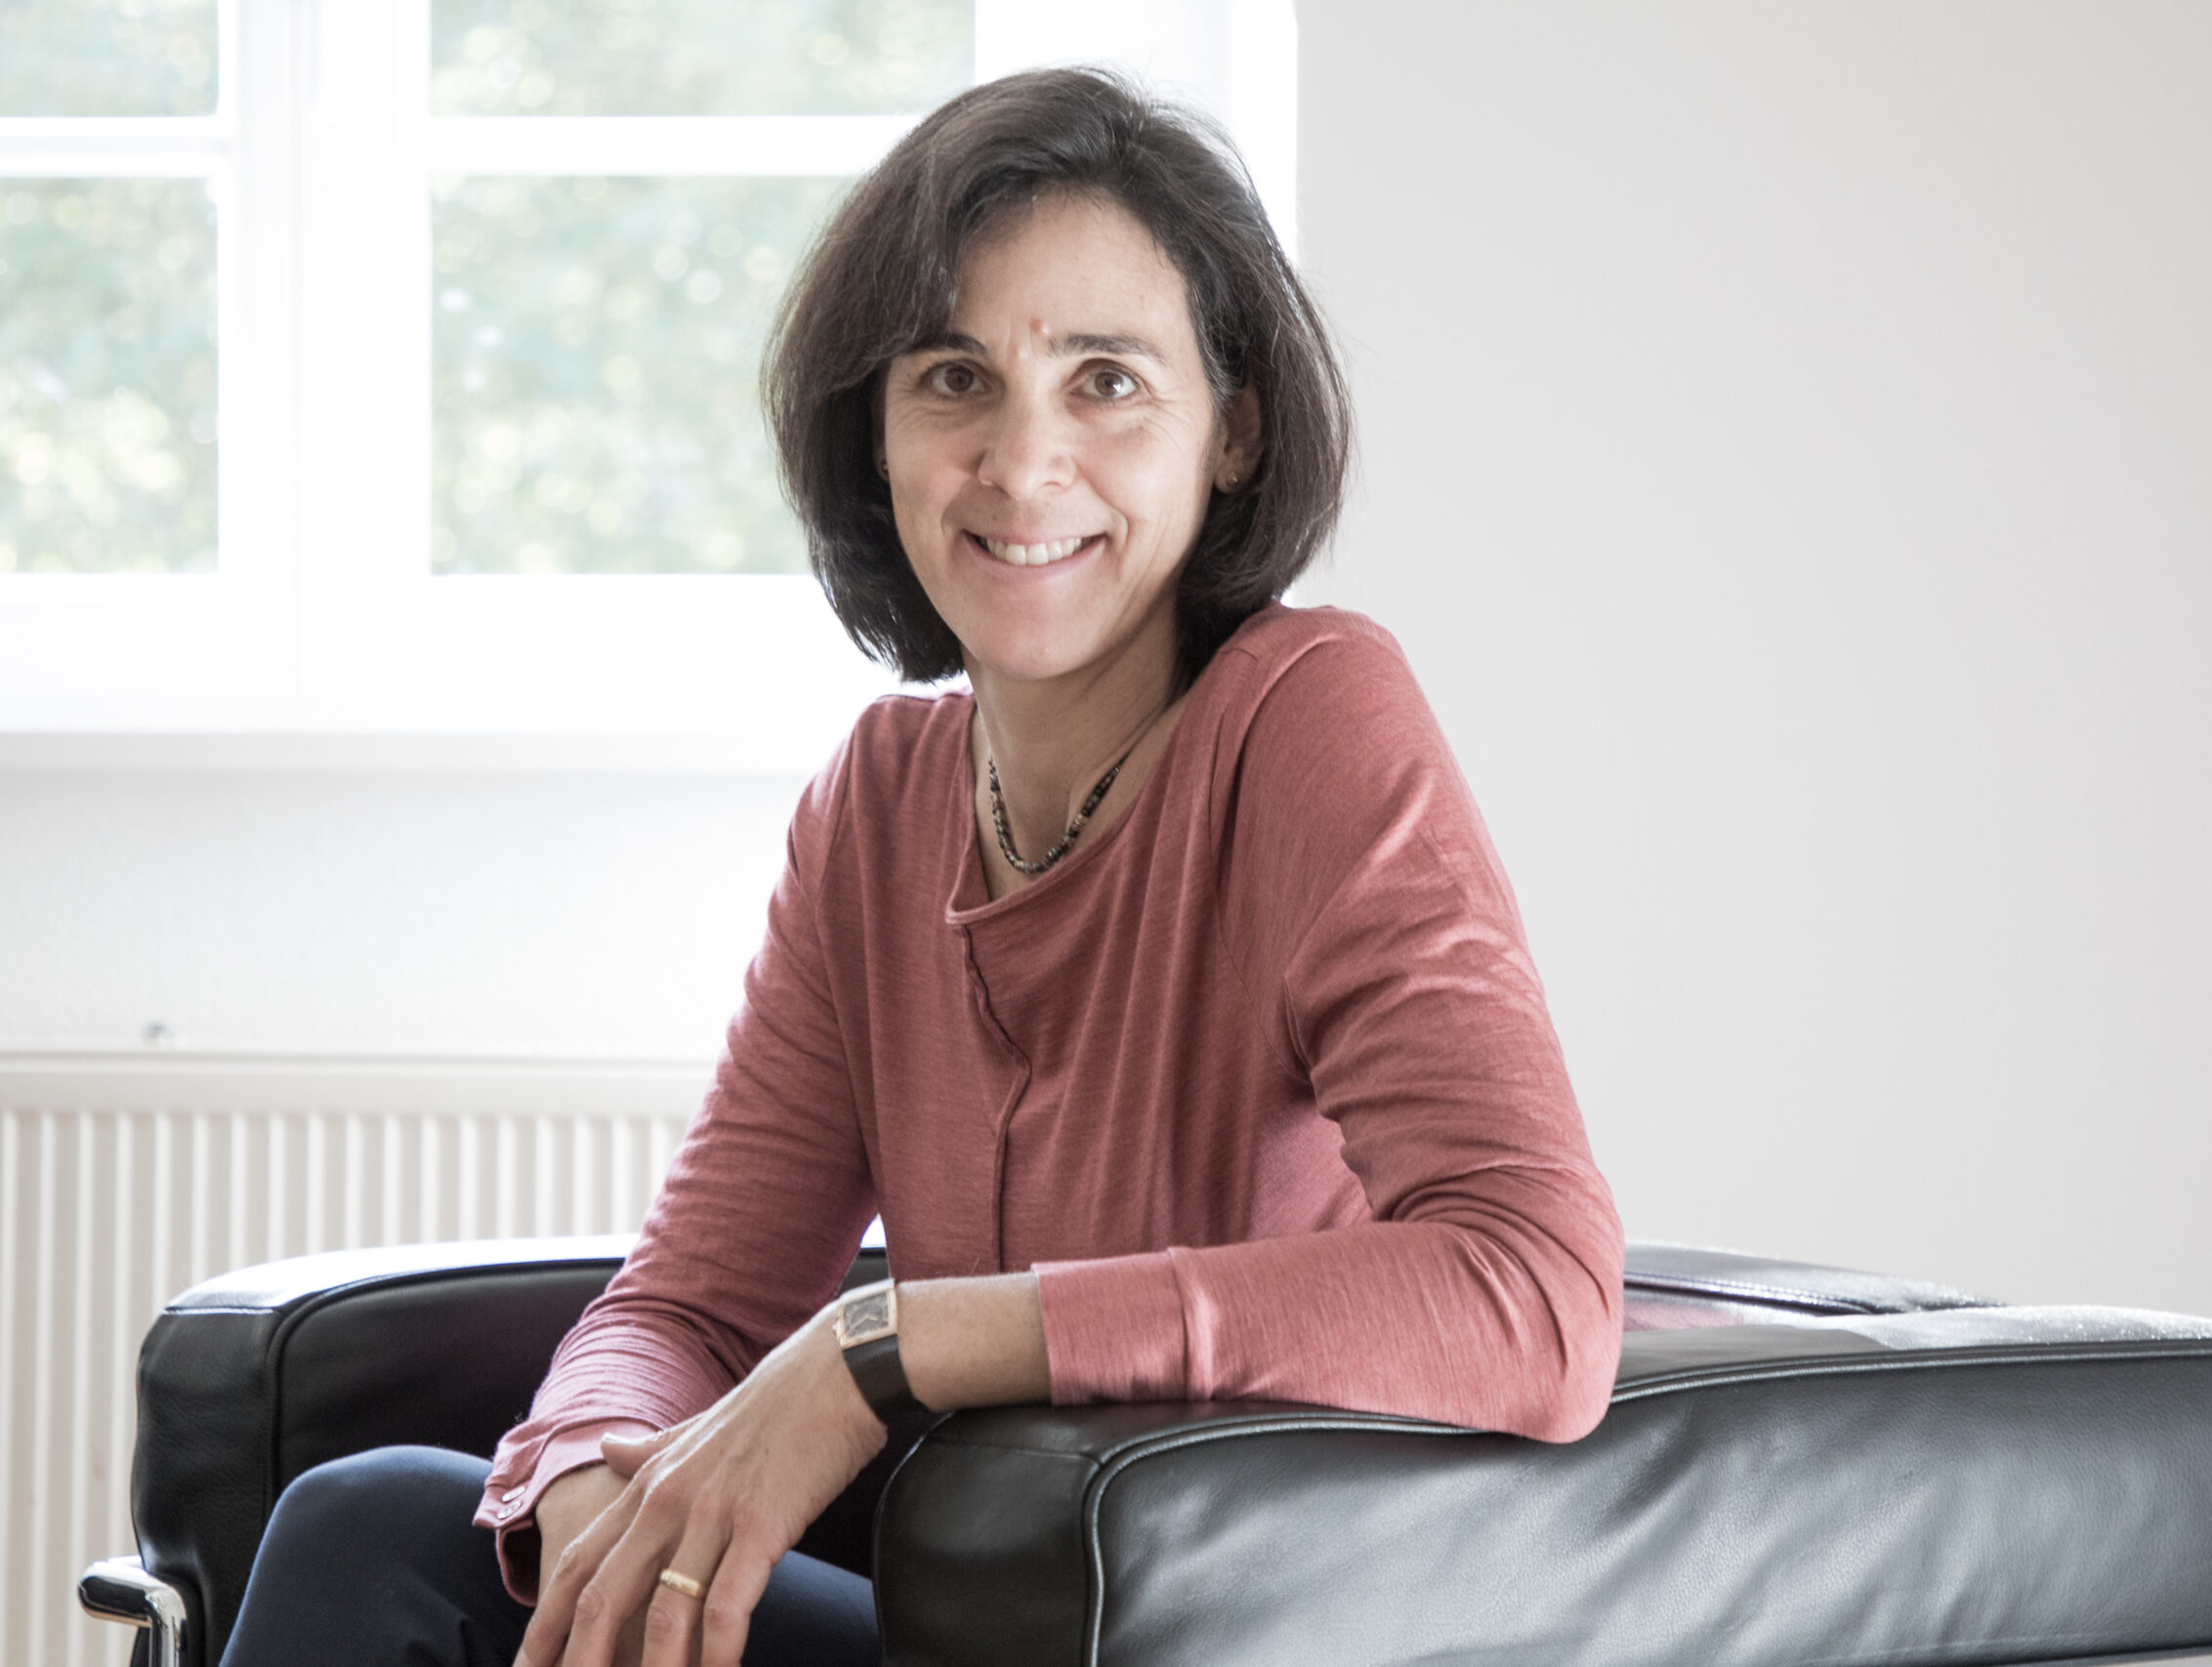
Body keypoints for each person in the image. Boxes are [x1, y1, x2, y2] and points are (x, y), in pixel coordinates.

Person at [219, 65, 1622, 1667]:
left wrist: (880, 1349)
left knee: (377, 1541)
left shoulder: (1308, 719)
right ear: (876, 432)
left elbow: (1536, 1292)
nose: (1024, 463)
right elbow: (691, 1307)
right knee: (397, 1538)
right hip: (968, 1615)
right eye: (956, 379)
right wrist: (598, 1477)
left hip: (1224, 1627)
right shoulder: (881, 802)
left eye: (1107, 382)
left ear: (1232, 430)